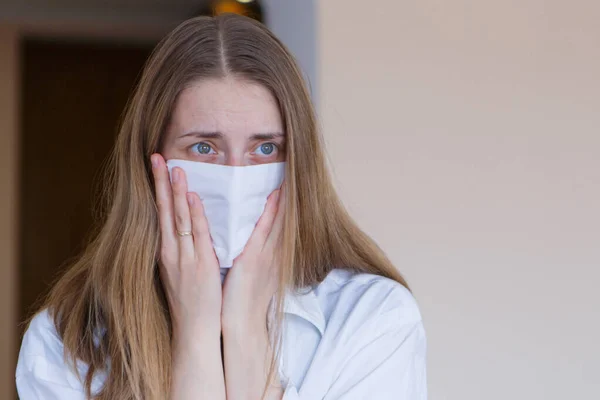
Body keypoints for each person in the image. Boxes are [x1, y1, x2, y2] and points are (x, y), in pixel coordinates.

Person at [16, 14, 427, 400]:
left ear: (300, 163)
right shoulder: (66, 343)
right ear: (151, 161)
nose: (235, 176)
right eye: (204, 147)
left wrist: (245, 331)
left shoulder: (373, 320)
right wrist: (195, 333)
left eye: (265, 148)